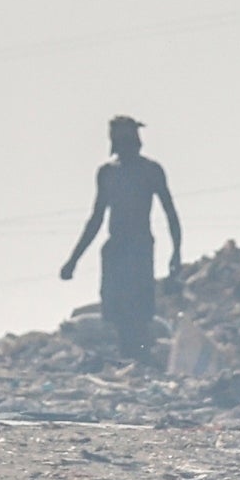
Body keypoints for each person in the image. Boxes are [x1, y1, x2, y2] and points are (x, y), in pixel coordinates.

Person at [57, 115, 183, 364]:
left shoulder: (150, 171)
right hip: (115, 249)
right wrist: (73, 260)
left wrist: (176, 252)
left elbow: (170, 212)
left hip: (139, 248)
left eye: (129, 138)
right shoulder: (107, 173)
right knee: (116, 312)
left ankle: (141, 358)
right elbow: (96, 219)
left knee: (140, 311)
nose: (125, 145)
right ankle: (133, 359)